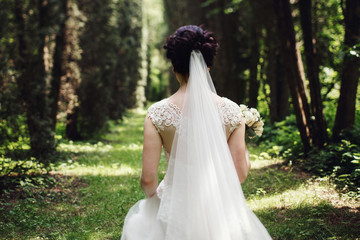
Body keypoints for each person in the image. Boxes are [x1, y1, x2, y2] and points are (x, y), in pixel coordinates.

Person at [121, 25, 271, 240]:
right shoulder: (232, 112)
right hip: (219, 209)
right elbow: (240, 172)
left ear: (173, 66)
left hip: (174, 206)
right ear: (208, 66)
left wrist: (157, 205)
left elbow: (148, 179)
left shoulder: (157, 114)